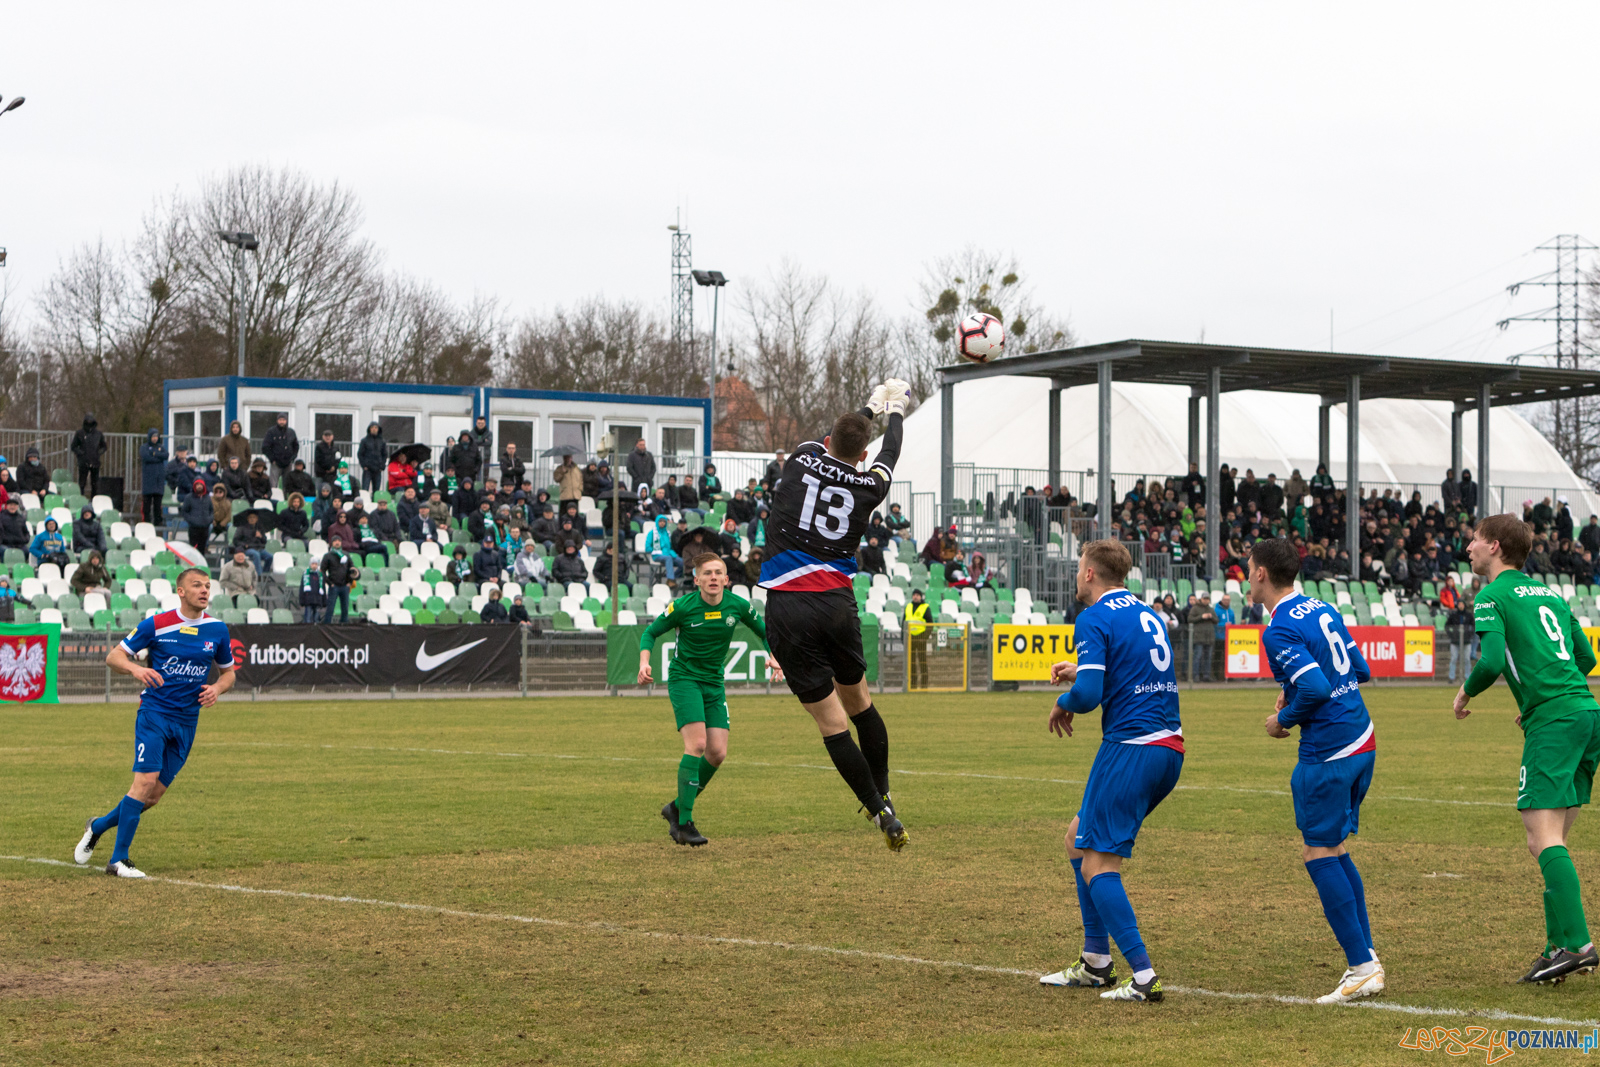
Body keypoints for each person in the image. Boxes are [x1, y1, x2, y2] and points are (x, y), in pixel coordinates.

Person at [759, 378, 910, 850]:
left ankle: (879, 811)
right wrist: (896, 412)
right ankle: (885, 792)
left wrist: (869, 406)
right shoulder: (870, 485)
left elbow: (840, 435)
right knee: (860, 704)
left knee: (831, 722)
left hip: (789, 605)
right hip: (836, 605)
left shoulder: (803, 456)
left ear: (827, 441)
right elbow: (889, 453)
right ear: (863, 456)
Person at [1453, 513, 1600, 984]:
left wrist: (1464, 693)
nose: (1469, 547)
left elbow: (1492, 660)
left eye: (1475, 540)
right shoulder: (1551, 595)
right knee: (1551, 840)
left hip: (1555, 721)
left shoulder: (1491, 596)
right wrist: (1545, 694)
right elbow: (1585, 657)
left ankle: (1578, 946)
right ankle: (1557, 947)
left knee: (1542, 839)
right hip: (1585, 713)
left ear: (1495, 546)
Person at [1038, 539, 1183, 1002]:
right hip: (1168, 748)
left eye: (1079, 567)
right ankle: (1096, 962)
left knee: (1098, 862)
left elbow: (1088, 697)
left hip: (1131, 748)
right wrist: (1082, 669)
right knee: (1076, 839)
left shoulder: (1093, 616)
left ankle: (1143, 976)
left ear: (1089, 573)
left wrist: (1065, 699)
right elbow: (1130, 668)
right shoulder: (1146, 613)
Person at [1249, 537, 1384, 1003]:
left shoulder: (1278, 628)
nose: (1246, 579)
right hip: (1362, 737)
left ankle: (1361, 967)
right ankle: (1367, 957)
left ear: (1262, 573)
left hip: (1329, 751)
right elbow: (1359, 670)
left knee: (1318, 853)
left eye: (1248, 570)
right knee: (1334, 848)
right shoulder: (1321, 607)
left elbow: (1318, 689)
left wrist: (1283, 719)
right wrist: (1295, 689)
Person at [75, 568, 236, 877]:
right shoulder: (157, 624)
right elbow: (113, 657)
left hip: (187, 721)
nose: (204, 590)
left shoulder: (217, 629)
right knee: (144, 782)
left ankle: (97, 826)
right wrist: (137, 670)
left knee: (152, 796)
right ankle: (118, 860)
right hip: (155, 714)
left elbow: (229, 673)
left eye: (207, 586)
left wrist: (217, 688)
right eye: (197, 585)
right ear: (181, 591)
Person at [639, 553, 781, 847]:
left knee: (716, 752)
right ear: (697, 580)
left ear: (727, 579)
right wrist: (644, 663)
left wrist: (773, 655)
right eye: (707, 573)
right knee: (697, 745)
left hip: (714, 682)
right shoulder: (683, 607)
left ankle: (676, 807)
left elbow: (765, 632)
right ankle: (684, 824)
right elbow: (650, 633)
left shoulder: (738, 605)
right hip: (685, 679)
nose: (713, 577)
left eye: (718, 573)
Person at [70, 412, 109, 496]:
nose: (89, 423)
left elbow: (104, 447)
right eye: (87, 421)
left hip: (95, 461)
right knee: (82, 483)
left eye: (91, 421)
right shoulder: (80, 433)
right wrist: (81, 453)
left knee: (95, 484)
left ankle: (94, 500)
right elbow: (73, 446)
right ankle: (80, 499)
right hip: (83, 462)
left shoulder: (98, 434)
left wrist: (98, 453)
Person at [321, 536, 357, 623]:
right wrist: (329, 583)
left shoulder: (346, 555)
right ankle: (327, 625)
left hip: (345, 586)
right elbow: (322, 571)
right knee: (330, 608)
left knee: (345, 609)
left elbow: (352, 569)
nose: (337, 542)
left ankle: (344, 626)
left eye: (339, 541)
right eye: (335, 541)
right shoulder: (328, 556)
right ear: (332, 543)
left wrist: (350, 582)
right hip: (334, 586)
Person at [139, 428, 169, 526]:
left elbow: (166, 455)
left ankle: (158, 521)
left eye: (156, 436)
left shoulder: (161, 447)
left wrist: (155, 454)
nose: (155, 438)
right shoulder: (144, 447)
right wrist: (159, 458)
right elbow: (146, 457)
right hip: (148, 481)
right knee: (147, 504)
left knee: (157, 503)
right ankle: (146, 522)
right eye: (153, 437)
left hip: (158, 481)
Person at [904, 588, 930, 689]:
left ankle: (924, 685)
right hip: (910, 638)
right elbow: (903, 623)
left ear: (921, 597)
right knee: (912, 662)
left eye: (917, 595)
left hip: (921, 637)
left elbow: (930, 624)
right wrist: (903, 638)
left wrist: (924, 638)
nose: (915, 597)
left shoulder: (925, 607)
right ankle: (913, 684)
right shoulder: (908, 606)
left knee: (922, 661)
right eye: (914, 595)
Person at [1189, 593, 1217, 682]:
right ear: (1201, 599)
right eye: (1204, 599)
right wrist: (1201, 617)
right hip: (1199, 637)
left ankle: (1206, 675)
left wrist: (1211, 617)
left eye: (1207, 599)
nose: (1206, 600)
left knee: (1208, 657)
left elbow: (1216, 620)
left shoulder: (1211, 609)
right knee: (1197, 657)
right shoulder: (1195, 608)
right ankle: (1195, 676)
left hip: (1209, 637)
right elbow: (1189, 619)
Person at [645, 514, 680, 583]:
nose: (662, 523)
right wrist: (655, 551)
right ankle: (670, 580)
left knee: (681, 562)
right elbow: (647, 547)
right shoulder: (652, 533)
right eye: (660, 521)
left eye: (664, 521)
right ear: (657, 522)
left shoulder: (667, 533)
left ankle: (675, 577)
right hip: (657, 555)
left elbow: (670, 546)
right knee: (668, 558)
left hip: (668, 553)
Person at [357, 421, 387, 492]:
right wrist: (364, 465)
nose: (374, 429)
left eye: (376, 428)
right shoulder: (364, 441)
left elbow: (384, 454)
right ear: (369, 429)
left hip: (378, 468)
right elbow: (360, 454)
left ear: (378, 429)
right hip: (368, 469)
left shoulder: (382, 441)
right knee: (365, 488)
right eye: (372, 427)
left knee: (376, 490)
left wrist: (382, 466)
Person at [297, 559, 326, 623]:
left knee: (316, 619)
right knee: (308, 618)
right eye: (313, 564)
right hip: (308, 600)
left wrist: (324, 601)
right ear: (310, 565)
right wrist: (301, 601)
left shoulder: (320, 575)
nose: (314, 566)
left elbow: (323, 588)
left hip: (318, 599)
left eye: (316, 564)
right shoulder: (305, 575)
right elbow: (302, 588)